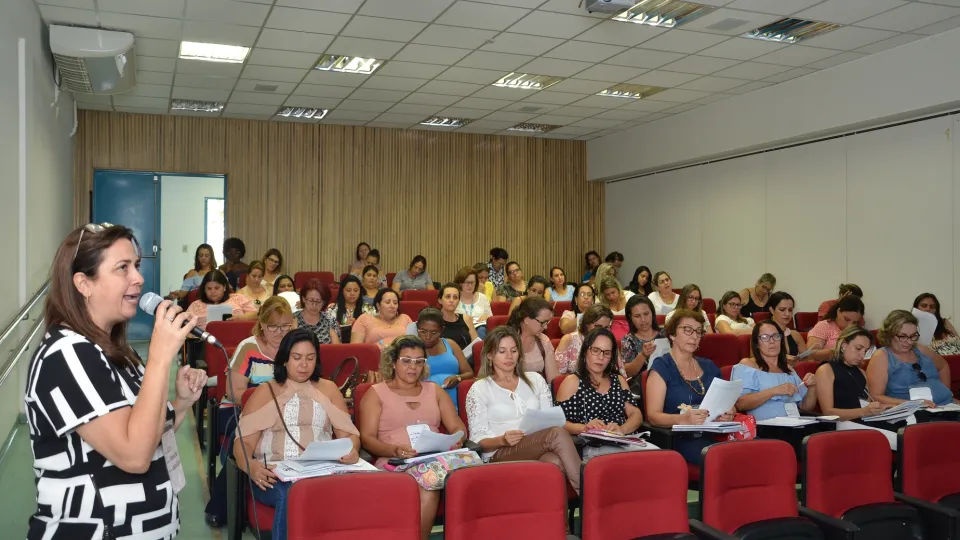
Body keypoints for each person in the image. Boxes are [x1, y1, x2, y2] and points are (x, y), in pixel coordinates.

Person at [25, 224, 208, 540]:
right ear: (84, 283)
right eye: (122, 268)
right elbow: (135, 455)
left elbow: (145, 433)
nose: (138, 278)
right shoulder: (67, 355)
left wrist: (182, 403)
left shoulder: (113, 350)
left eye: (136, 266)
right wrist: (161, 357)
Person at [233, 330, 361, 540]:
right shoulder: (266, 391)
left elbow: (349, 435)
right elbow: (243, 442)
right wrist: (251, 466)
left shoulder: (328, 389)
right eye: (297, 357)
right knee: (292, 494)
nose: (304, 365)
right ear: (284, 360)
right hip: (275, 475)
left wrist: (352, 451)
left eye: (310, 358)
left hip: (321, 472)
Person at [358, 336, 474, 540]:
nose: (413, 367)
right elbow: (367, 439)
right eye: (406, 360)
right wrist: (393, 450)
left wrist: (457, 438)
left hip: (437, 457)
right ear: (393, 362)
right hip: (397, 460)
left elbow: (457, 426)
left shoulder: (434, 390)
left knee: (471, 473)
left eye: (419, 361)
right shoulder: (376, 394)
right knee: (428, 483)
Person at [205, 296, 294, 527]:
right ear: (262, 324)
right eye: (274, 326)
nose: (280, 332)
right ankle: (222, 506)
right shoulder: (249, 347)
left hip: (284, 412)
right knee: (246, 438)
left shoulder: (296, 347)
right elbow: (234, 392)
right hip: (238, 409)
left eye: (286, 326)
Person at [465, 326, 582, 494]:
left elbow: (549, 419)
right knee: (556, 433)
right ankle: (590, 497)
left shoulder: (535, 379)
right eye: (502, 351)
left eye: (513, 350)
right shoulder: (480, 388)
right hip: (499, 452)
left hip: (538, 445)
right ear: (490, 355)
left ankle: (552, 519)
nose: (509, 356)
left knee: (554, 462)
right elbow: (478, 439)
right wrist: (503, 440)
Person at [644, 309, 735, 463]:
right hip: (681, 439)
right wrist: (683, 419)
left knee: (751, 451)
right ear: (672, 334)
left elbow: (729, 404)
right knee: (723, 458)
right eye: (688, 330)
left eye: (698, 332)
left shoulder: (709, 366)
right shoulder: (662, 367)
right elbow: (653, 416)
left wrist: (729, 412)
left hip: (714, 434)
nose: (694, 336)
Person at [556, 328, 647, 460]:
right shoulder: (572, 382)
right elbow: (559, 422)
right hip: (591, 445)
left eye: (606, 353)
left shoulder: (619, 380)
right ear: (585, 351)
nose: (601, 357)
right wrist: (586, 428)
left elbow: (636, 414)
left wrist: (622, 429)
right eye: (596, 350)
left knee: (658, 459)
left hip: (623, 441)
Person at [867, 310, 955, 408]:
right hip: (914, 412)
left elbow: (943, 366)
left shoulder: (920, 350)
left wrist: (945, 392)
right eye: (903, 336)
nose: (909, 342)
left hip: (947, 406)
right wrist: (912, 404)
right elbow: (875, 396)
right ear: (889, 334)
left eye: (913, 336)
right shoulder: (881, 356)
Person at [731, 321, 817, 421]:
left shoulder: (788, 369)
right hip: (765, 429)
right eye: (765, 337)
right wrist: (774, 391)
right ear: (757, 344)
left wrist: (812, 387)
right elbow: (740, 404)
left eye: (776, 336)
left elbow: (806, 407)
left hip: (795, 425)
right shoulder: (748, 365)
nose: (772, 341)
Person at [815, 325, 888, 421]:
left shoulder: (861, 372)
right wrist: (864, 411)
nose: (862, 355)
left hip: (864, 422)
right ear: (844, 345)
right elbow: (828, 412)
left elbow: (867, 404)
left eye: (865, 351)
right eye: (858, 348)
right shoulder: (826, 370)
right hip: (841, 426)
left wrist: (879, 408)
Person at [414, 308, 475, 407]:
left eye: (434, 333)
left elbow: (469, 373)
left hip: (456, 397)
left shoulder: (450, 344)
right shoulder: (412, 347)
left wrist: (458, 378)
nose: (428, 336)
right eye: (423, 331)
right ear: (417, 327)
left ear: (441, 330)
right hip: (425, 398)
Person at [507, 296, 560, 383]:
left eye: (548, 322)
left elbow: (553, 380)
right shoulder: (504, 341)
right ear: (526, 319)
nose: (546, 327)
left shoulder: (543, 341)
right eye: (542, 322)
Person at [187, 270, 258, 331]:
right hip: (205, 342)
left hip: (237, 338)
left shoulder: (238, 298)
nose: (213, 291)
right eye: (209, 288)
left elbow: (255, 315)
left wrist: (239, 318)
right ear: (204, 289)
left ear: (224, 287)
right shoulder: (195, 305)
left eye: (217, 288)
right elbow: (185, 326)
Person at [555, 304, 615, 375]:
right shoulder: (568, 340)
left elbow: (619, 373)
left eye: (606, 327)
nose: (601, 330)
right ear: (587, 325)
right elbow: (557, 376)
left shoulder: (610, 342)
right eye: (598, 326)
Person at [805, 295, 865, 362]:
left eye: (854, 322)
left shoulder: (858, 331)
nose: (850, 325)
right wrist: (838, 351)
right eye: (847, 319)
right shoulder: (824, 326)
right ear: (838, 312)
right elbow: (810, 355)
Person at [620, 295, 663, 377]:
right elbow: (627, 373)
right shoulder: (628, 340)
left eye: (646, 314)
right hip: (641, 385)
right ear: (630, 317)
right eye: (637, 316)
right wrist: (643, 355)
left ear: (652, 313)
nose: (643, 320)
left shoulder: (665, 334)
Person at [326, 275, 370, 342]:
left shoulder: (367, 309)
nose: (352, 293)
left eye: (356, 290)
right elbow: (327, 332)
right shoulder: (332, 309)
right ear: (342, 291)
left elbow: (372, 332)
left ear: (360, 292)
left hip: (361, 347)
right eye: (348, 290)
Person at [296, 279, 340, 344]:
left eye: (319, 301)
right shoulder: (293, 319)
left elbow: (338, 350)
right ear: (303, 299)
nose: (314, 305)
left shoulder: (330, 320)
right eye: (311, 300)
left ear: (324, 302)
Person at [437, 282, 479, 349]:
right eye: (448, 297)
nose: (451, 300)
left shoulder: (465, 318)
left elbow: (477, 344)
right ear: (440, 300)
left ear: (459, 301)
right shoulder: (434, 319)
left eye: (455, 297)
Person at [767, 291, 807, 359]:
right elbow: (757, 361)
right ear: (772, 310)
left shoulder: (795, 335)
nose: (787, 314)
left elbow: (807, 359)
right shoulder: (762, 334)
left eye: (790, 310)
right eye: (782, 310)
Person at [455, 265, 492, 338]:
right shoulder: (454, 298)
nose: (470, 286)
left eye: (472, 283)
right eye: (467, 282)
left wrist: (487, 316)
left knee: (481, 330)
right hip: (461, 330)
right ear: (460, 283)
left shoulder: (482, 298)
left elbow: (490, 316)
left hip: (480, 328)